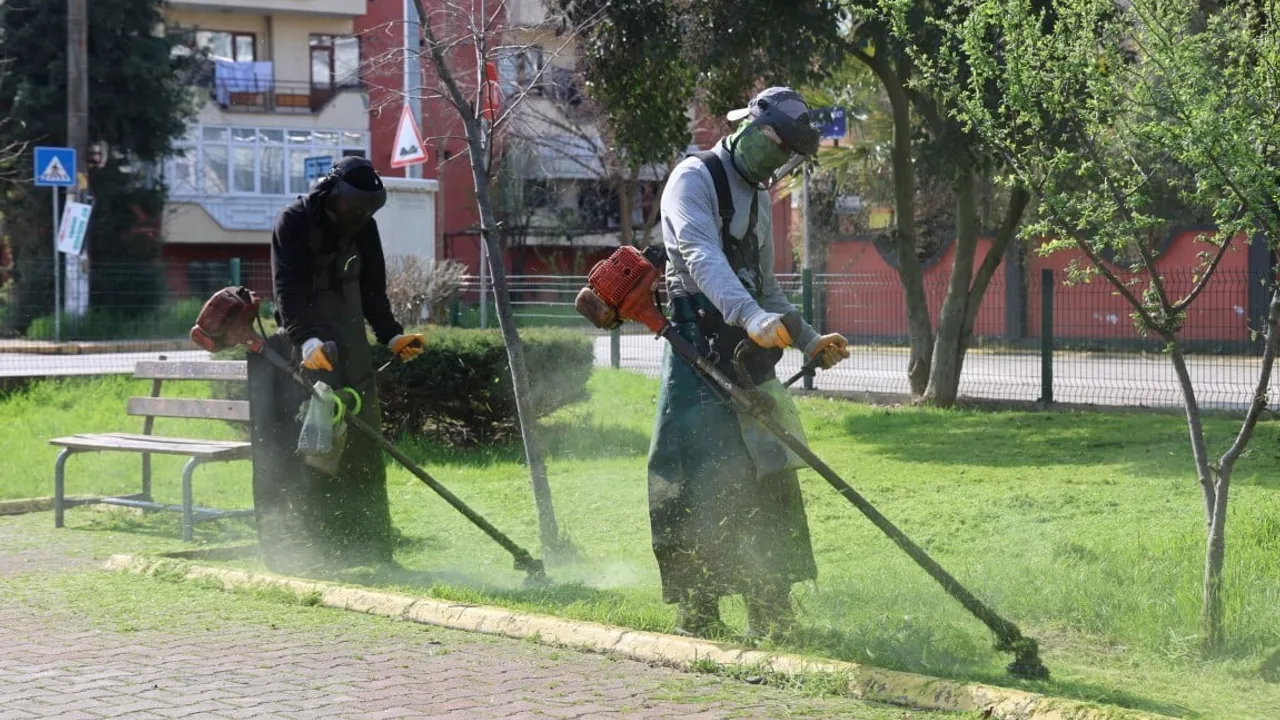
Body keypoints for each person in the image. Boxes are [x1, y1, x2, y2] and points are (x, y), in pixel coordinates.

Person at [648, 87, 851, 640]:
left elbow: (766, 284)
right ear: (748, 128)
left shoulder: (759, 197)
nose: (777, 162)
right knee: (697, 478)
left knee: (769, 470)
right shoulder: (693, 179)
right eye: (774, 146)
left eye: (786, 156)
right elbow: (698, 254)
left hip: (746, 349)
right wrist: (747, 314)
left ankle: (771, 606)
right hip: (696, 345)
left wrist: (807, 338)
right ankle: (698, 610)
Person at [246, 156, 425, 574]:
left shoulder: (364, 228)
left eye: (367, 212)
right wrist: (305, 340)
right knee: (318, 454)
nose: (357, 218)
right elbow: (286, 291)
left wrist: (392, 335)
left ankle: (375, 552)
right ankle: (318, 556)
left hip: (354, 353)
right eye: (352, 209)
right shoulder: (292, 223)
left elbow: (373, 292)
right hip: (308, 353)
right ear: (331, 193)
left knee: (365, 453)